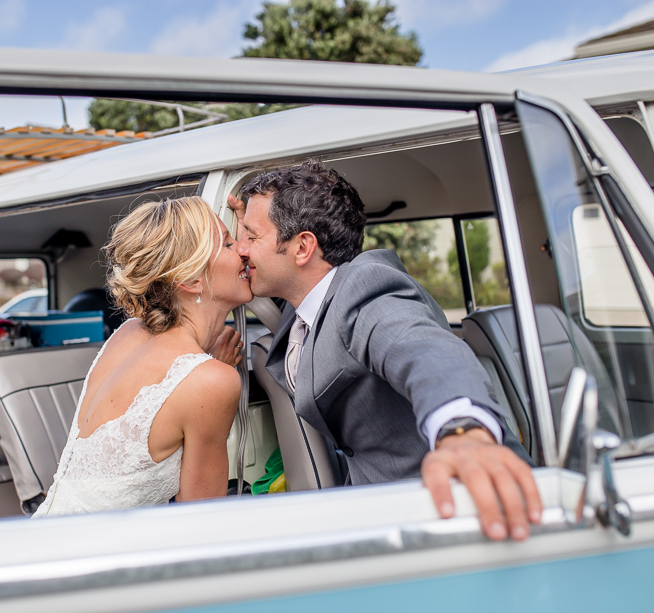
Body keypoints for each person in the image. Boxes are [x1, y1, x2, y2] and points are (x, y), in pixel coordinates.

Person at [228, 161, 542, 542]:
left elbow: (424, 350)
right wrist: (252, 239)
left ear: (303, 247)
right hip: (378, 500)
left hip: (457, 509)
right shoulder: (306, 300)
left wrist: (462, 428)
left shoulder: (365, 291)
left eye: (251, 237)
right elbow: (283, 291)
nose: (240, 248)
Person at [33, 196, 253, 517]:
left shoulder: (130, 332)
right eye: (229, 243)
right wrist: (214, 372)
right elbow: (201, 522)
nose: (244, 250)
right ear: (191, 280)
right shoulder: (211, 381)